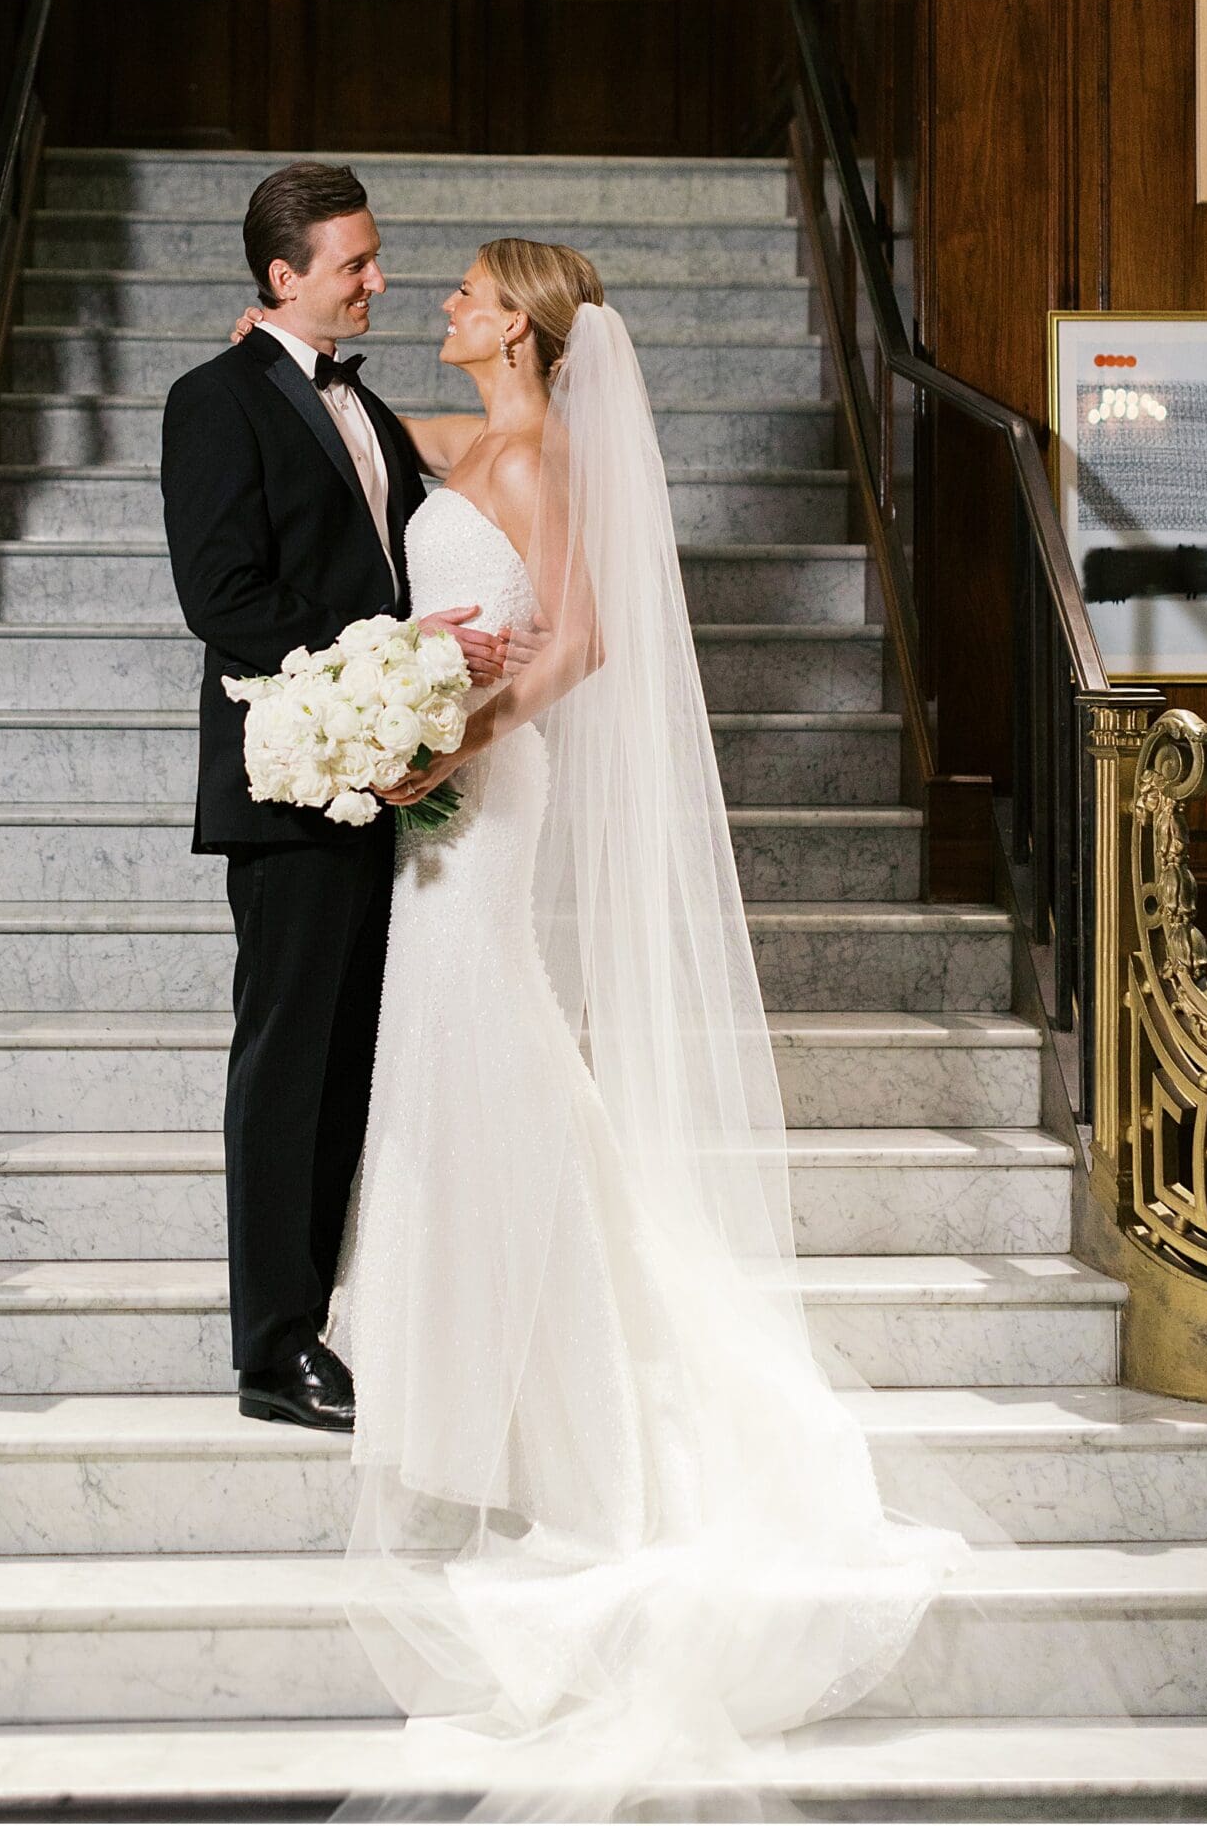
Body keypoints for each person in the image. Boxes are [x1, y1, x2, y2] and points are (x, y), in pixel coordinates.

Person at [232, 240, 968, 1810]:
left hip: (486, 798)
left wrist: (447, 735)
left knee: (490, 1035)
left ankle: (551, 1381)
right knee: (455, 1049)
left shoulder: (542, 453)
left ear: (523, 326)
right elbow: (360, 421)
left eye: (470, 295)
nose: (441, 303)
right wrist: (288, 339)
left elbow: (583, 640)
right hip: (450, 784)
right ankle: (462, 1363)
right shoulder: (471, 436)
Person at [160, 162, 510, 1436]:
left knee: (352, 1065)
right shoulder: (214, 400)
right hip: (293, 780)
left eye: (375, 256)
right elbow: (227, 603)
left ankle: (328, 1311)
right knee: (287, 1065)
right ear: (282, 275)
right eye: (356, 262)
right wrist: (409, 653)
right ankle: (273, 1347)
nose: (378, 279)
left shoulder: (367, 406)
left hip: (385, 778)